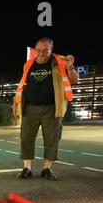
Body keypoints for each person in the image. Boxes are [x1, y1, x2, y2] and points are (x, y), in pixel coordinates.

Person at [13, 37, 79, 180]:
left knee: (52, 139)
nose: (41, 53)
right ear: (35, 50)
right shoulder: (28, 64)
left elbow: (74, 80)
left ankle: (46, 169)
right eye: (38, 50)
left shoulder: (61, 63)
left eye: (45, 50)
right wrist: (16, 104)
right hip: (29, 107)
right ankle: (27, 168)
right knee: (26, 137)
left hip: (53, 108)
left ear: (51, 50)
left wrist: (70, 68)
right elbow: (22, 86)